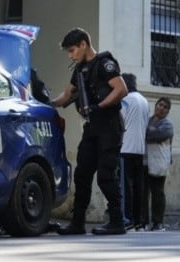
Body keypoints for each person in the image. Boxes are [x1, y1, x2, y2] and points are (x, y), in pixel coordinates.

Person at [51, 28, 128, 235]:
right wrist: (48, 103)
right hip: (92, 127)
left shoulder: (104, 64)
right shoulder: (80, 70)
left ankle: (117, 222)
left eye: (73, 50)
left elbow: (121, 89)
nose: (71, 55)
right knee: (82, 174)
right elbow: (67, 95)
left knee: (106, 175)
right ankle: (77, 223)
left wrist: (100, 106)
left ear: (84, 44)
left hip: (109, 126)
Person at [0, 67, 57, 236]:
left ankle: (12, 221)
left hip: (22, 126)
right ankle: (6, 222)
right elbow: (45, 98)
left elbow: (42, 98)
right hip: (14, 126)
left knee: (19, 172)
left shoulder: (20, 71)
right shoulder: (17, 70)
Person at [119, 73, 149, 231]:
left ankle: (127, 218)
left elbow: (119, 120)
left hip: (125, 148)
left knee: (126, 188)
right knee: (139, 188)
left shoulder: (125, 100)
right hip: (140, 149)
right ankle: (139, 221)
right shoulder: (144, 101)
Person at [145, 97, 174, 231]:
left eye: (165, 107)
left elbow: (160, 134)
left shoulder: (167, 124)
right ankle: (144, 220)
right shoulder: (148, 120)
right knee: (144, 192)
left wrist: (150, 132)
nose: (161, 108)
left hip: (159, 162)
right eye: (160, 105)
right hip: (145, 160)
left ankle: (158, 221)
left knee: (158, 192)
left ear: (167, 111)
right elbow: (146, 133)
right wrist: (150, 132)